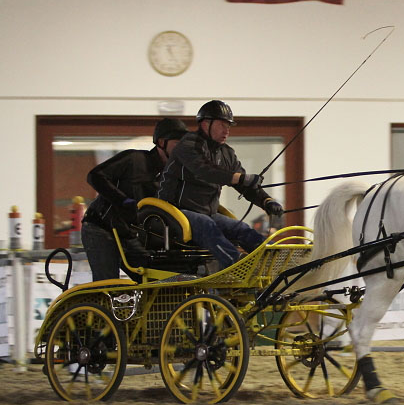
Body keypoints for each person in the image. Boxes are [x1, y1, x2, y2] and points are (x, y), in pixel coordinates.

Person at [158, 101, 284, 268]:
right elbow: (205, 171)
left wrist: (267, 201)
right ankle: (237, 266)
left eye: (229, 126)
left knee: (241, 228)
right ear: (205, 124)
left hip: (207, 213)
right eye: (222, 125)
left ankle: (275, 262)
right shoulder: (188, 145)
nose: (227, 131)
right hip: (175, 213)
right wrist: (241, 178)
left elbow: (245, 185)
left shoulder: (226, 153)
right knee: (207, 225)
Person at [82, 118, 188, 281]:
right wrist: (123, 201)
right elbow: (95, 176)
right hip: (101, 228)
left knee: (152, 280)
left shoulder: (172, 176)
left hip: (128, 233)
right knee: (108, 283)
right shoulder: (134, 159)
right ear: (161, 142)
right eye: (177, 143)